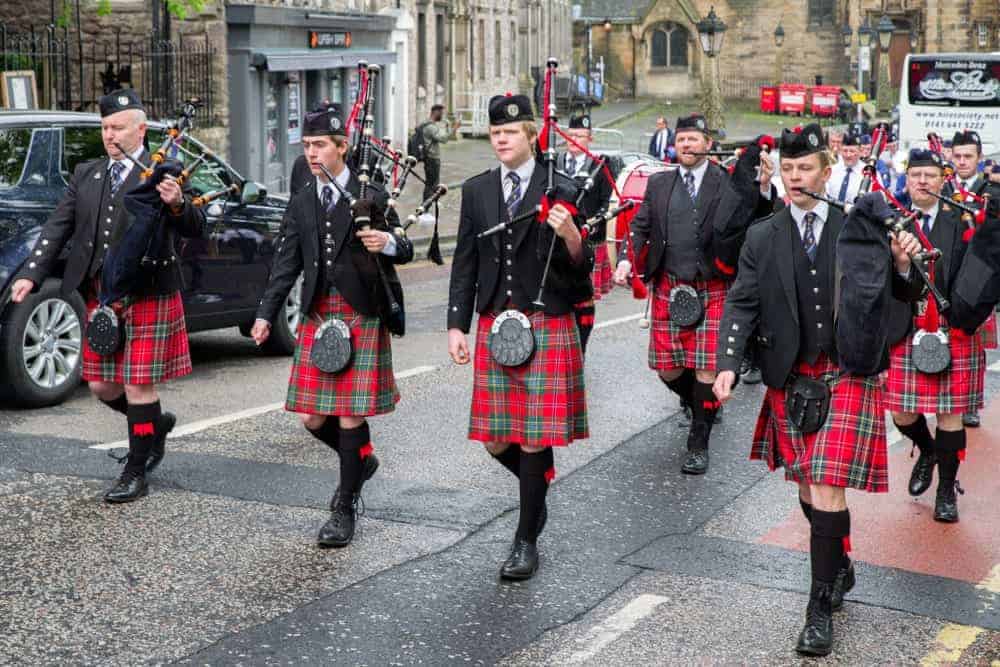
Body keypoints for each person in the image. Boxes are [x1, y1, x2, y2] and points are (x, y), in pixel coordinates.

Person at [714, 124, 922, 657]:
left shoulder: (857, 228)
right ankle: (840, 565)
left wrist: (902, 266)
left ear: (826, 171)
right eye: (787, 169)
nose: (795, 178)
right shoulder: (764, 235)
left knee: (827, 486)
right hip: (793, 378)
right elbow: (741, 302)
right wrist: (728, 365)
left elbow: (896, 296)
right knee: (809, 490)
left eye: (805, 168)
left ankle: (816, 609)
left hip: (846, 373)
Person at [9, 89, 205, 503]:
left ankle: (136, 471)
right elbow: (58, 227)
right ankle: (155, 423)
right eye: (104, 127)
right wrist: (30, 274)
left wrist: (177, 204)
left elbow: (195, 226)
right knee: (100, 385)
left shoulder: (164, 171)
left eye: (117, 127)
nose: (109, 135)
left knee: (137, 386)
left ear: (140, 128)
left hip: (147, 290)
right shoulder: (88, 173)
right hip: (101, 291)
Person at [251, 105, 414, 548]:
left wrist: (388, 243)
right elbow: (286, 260)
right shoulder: (303, 197)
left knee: (348, 415)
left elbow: (407, 248)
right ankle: (360, 459)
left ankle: (344, 506)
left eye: (320, 145)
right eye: (306, 146)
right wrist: (266, 313)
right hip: (320, 314)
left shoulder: (371, 194)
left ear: (342, 147)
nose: (312, 153)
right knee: (311, 416)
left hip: (361, 310)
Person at [447, 93, 593, 580]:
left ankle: (525, 537)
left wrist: (571, 233)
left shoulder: (563, 186)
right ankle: (538, 492)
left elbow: (582, 270)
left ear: (532, 136)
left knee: (532, 440)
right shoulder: (478, 191)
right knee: (494, 439)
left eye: (510, 132)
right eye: (494, 133)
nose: (501, 139)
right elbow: (465, 262)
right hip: (495, 322)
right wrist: (455, 325)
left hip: (546, 320)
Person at [612, 113, 773, 475]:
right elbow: (640, 227)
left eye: (694, 139)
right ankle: (698, 402)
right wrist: (626, 260)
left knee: (705, 369)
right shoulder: (659, 184)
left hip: (713, 286)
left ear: (708, 144)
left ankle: (698, 444)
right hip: (671, 285)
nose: (687, 144)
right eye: (681, 139)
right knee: (667, 369)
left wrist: (763, 187)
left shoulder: (728, 182)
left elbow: (757, 217)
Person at [887, 149, 979, 524]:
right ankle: (926, 450)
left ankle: (945, 491)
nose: (922, 181)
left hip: (950, 326)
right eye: (915, 175)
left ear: (943, 179)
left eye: (929, 175)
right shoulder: (894, 221)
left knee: (950, 415)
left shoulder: (960, 220)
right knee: (902, 412)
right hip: (907, 326)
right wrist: (901, 263)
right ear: (907, 180)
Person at [944, 130, 1000, 429]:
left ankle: (970, 404)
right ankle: (951, 395)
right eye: (958, 155)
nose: (963, 161)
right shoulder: (944, 186)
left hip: (980, 269)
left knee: (974, 341)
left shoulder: (989, 189)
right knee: (951, 337)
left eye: (969, 156)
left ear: (979, 159)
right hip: (949, 268)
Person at [562, 113, 614, 351]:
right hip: (558, 242)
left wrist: (596, 221)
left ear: (589, 139)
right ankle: (563, 340)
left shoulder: (599, 165)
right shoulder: (555, 163)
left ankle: (580, 346)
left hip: (589, 241)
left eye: (579, 136)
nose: (574, 139)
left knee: (584, 297)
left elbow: (607, 200)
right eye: (570, 134)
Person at [418, 104, 460, 223]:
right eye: (441, 113)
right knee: (430, 184)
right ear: (435, 112)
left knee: (434, 182)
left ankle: (433, 201)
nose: (442, 116)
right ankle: (424, 211)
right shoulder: (431, 127)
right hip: (432, 159)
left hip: (430, 158)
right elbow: (444, 139)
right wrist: (453, 128)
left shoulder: (426, 124)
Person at [826, 133, 864, 205]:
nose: (848, 155)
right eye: (845, 151)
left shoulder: (868, 172)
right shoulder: (832, 171)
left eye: (852, 151)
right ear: (840, 151)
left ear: (860, 152)